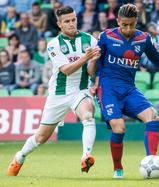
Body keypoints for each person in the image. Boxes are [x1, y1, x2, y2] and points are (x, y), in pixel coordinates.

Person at [94, 4, 159, 179]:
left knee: (154, 118)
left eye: (131, 25)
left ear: (137, 22)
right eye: (124, 24)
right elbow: (96, 62)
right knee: (119, 129)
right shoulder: (106, 37)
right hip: (109, 89)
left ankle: (153, 162)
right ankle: (118, 168)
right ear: (118, 21)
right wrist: (94, 82)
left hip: (129, 89)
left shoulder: (143, 39)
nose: (128, 29)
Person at [7, 6, 101, 176]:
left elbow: (92, 72)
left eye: (73, 20)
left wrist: (93, 60)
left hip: (80, 89)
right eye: (67, 21)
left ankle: (86, 156)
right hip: (59, 93)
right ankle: (19, 157)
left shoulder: (90, 40)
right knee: (41, 138)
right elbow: (66, 70)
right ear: (59, 24)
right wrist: (86, 57)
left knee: (88, 115)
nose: (72, 24)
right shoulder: (54, 45)